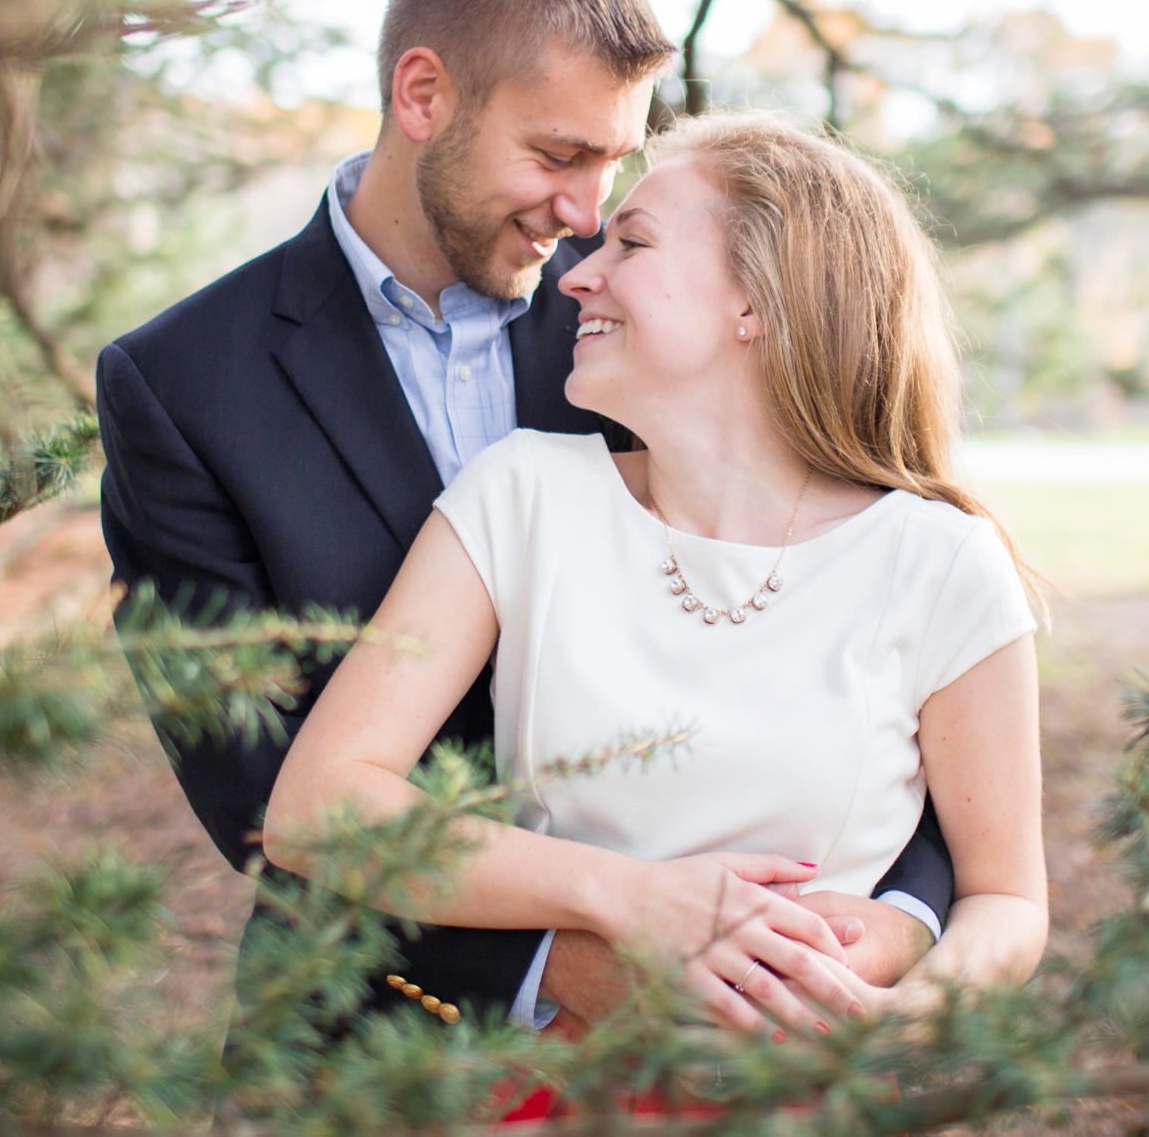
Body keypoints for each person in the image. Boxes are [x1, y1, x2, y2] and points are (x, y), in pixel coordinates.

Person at [97, 0, 955, 1038]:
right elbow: (264, 795)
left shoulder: (647, 332)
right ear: (422, 96)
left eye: (611, 165)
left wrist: (886, 925)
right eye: (557, 155)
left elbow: (882, 660)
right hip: (369, 1022)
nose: (584, 215)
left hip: (740, 1022)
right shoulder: (182, 384)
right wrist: (577, 957)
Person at [263, 111, 1049, 1044]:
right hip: (553, 1084)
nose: (578, 273)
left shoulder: (942, 562)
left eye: (631, 242)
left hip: (800, 1095)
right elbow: (318, 808)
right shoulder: (523, 494)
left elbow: (1004, 896)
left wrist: (893, 1023)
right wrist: (626, 896)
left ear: (756, 300)